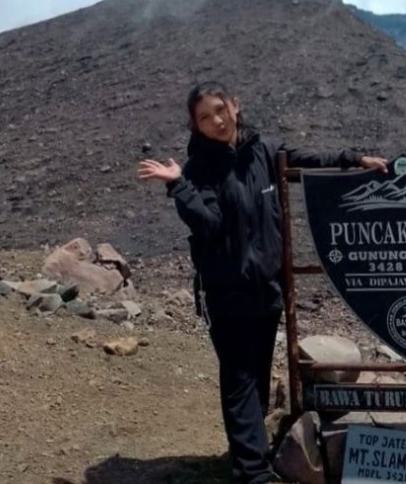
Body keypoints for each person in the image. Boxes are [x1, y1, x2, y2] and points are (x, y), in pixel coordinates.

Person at [137, 81, 387, 484]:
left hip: (266, 288)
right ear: (195, 126)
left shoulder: (263, 152)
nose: (216, 120)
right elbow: (208, 223)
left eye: (220, 109)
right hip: (226, 291)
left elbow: (308, 159)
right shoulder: (199, 168)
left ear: (236, 105)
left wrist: (355, 159)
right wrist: (178, 184)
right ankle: (252, 473)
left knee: (256, 375)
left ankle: (252, 458)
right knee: (239, 380)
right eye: (204, 117)